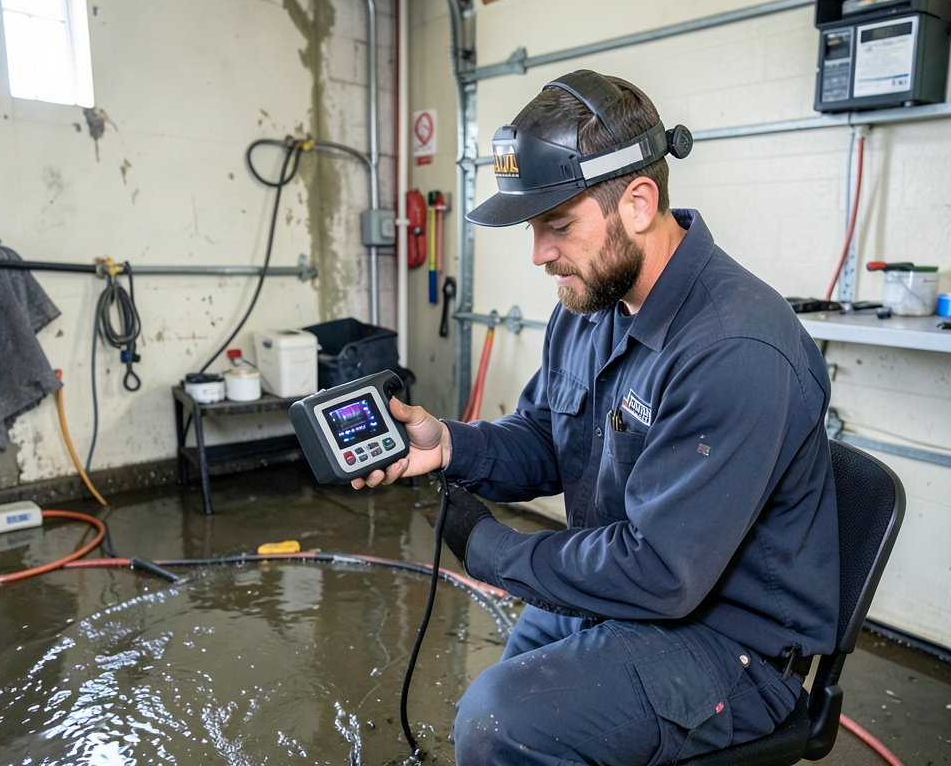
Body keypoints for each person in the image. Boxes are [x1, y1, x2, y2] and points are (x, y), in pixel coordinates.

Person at [354, 71, 839, 766]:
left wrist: (489, 549)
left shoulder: (734, 348)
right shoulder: (591, 306)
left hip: (731, 645)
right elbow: (550, 438)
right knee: (514, 677)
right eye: (534, 228)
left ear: (638, 202)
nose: (539, 254)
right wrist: (450, 446)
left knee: (502, 721)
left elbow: (659, 571)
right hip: (635, 593)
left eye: (558, 226)